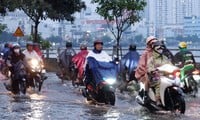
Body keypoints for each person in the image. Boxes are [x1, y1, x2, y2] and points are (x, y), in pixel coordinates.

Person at [135, 36, 171, 105]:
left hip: (160, 72)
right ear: (149, 44)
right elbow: (142, 65)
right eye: (152, 43)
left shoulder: (160, 54)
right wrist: (148, 70)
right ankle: (146, 95)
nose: (154, 44)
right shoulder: (146, 53)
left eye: (155, 43)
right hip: (148, 73)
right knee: (147, 78)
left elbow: (167, 62)